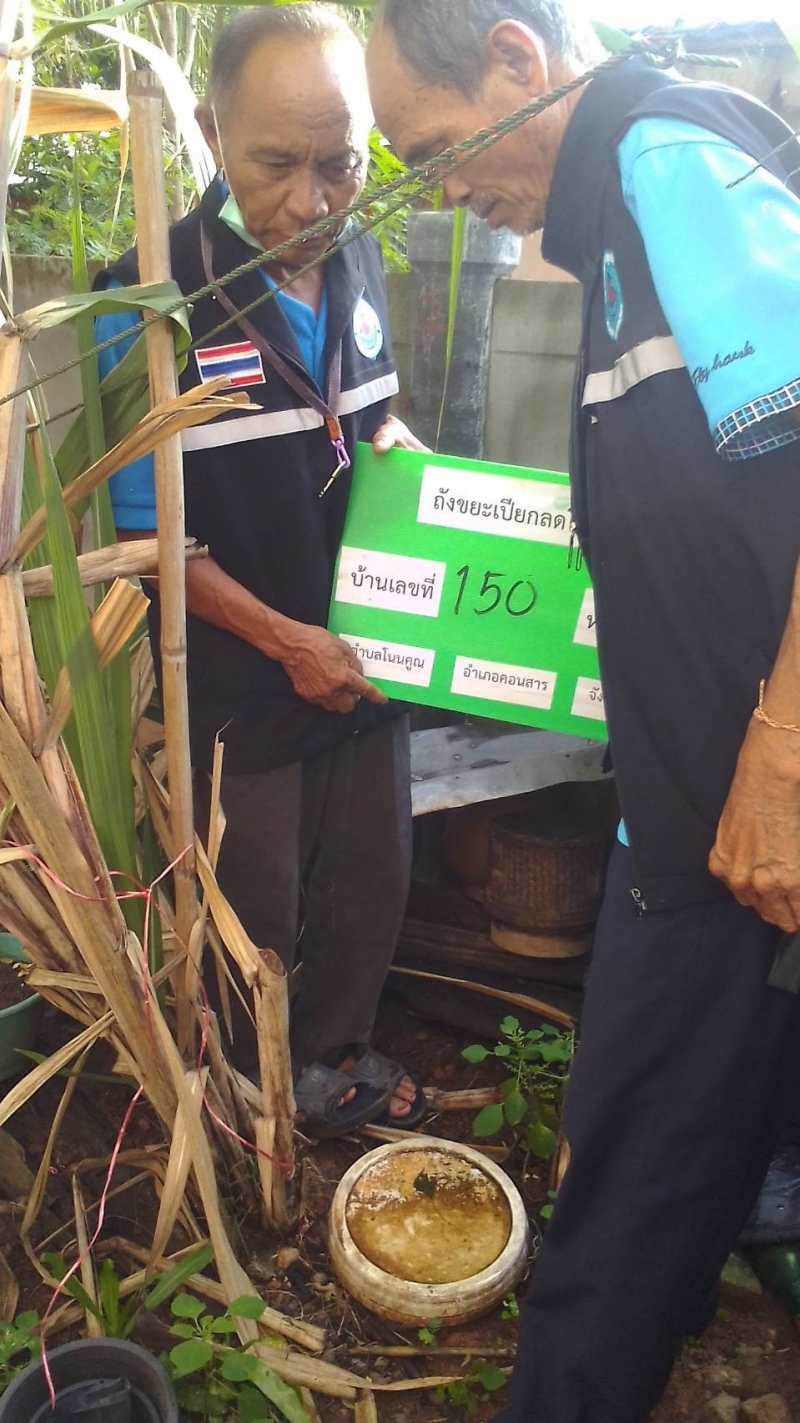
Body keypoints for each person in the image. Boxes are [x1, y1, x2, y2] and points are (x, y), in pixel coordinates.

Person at [367, 2, 800, 1419]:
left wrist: (781, 757)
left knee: (631, 1147)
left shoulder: (670, 160)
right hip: (691, 801)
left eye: (434, 149)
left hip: (742, 808)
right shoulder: (613, 218)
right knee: (678, 1126)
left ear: (515, 57)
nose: (443, 192)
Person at [95, 4, 429, 1139]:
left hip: (370, 650)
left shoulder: (357, 254)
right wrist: (286, 642)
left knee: (371, 877)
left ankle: (335, 1059)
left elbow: (372, 419)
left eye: (339, 165)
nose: (309, 203)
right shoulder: (150, 297)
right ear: (210, 131)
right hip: (242, 678)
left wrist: (420, 466)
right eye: (276, 164)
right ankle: (253, 1103)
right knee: (257, 906)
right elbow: (150, 538)